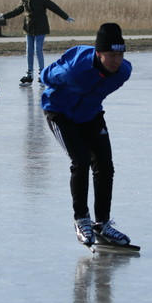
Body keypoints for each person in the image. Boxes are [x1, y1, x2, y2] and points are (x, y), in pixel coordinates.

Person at [41, 23, 133, 247]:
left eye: (120, 54)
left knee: (105, 166)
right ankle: (81, 219)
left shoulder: (124, 72)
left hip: (90, 114)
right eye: (111, 55)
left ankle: (102, 224)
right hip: (60, 112)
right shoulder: (74, 69)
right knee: (81, 161)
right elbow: (46, 76)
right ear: (99, 53)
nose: (117, 60)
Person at [0, 0, 74, 86]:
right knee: (29, 50)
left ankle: (42, 75)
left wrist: (65, 17)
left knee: (38, 50)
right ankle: (29, 75)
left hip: (40, 27)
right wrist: (3, 16)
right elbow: (17, 10)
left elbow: (53, 7)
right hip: (29, 27)